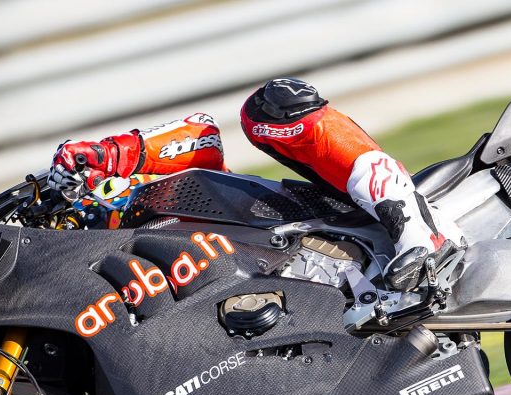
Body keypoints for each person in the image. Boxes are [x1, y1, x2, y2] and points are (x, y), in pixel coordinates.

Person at [48, 77, 459, 291]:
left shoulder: (155, 195)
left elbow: (202, 138)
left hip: (285, 231)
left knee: (272, 107)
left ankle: (419, 237)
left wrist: (105, 156)